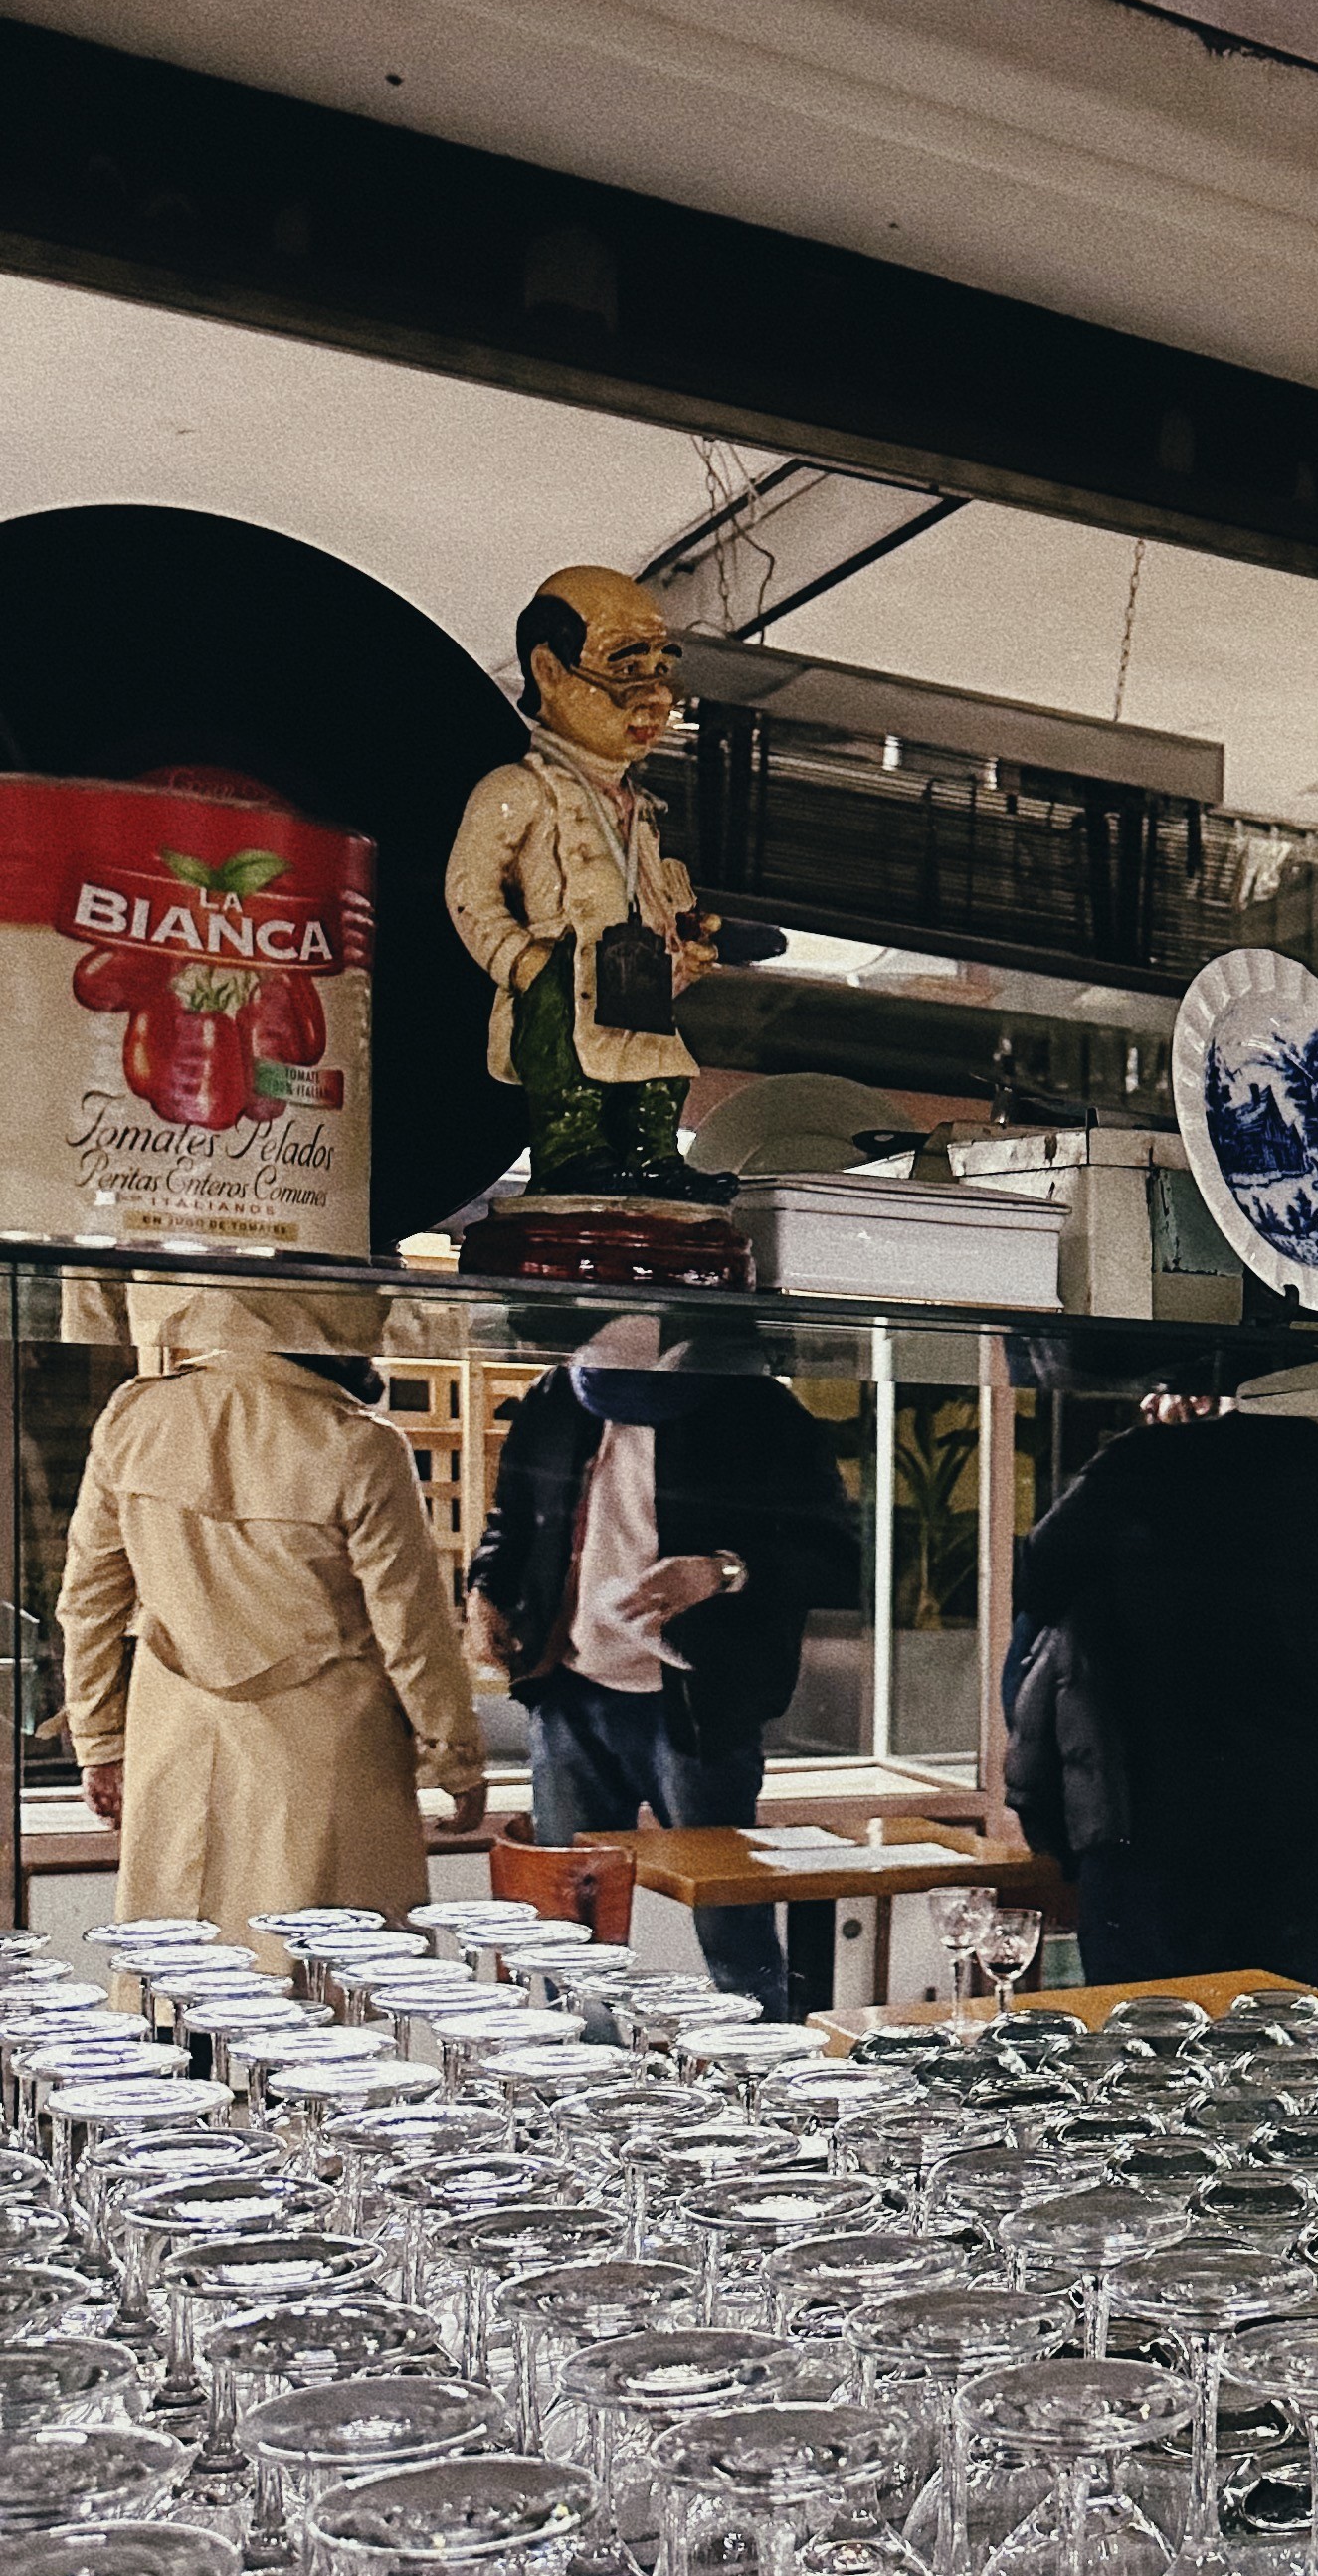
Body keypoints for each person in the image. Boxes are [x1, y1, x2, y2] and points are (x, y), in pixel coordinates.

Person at [58, 1279, 484, 1944]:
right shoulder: (360, 1444)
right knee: (318, 1986)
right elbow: (412, 1629)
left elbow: (88, 1602)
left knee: (180, 1979)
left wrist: (100, 1741)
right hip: (327, 1749)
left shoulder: (135, 1416)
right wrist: (455, 1758)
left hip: (175, 1736)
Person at [467, 1310, 855, 2015]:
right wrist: (485, 1592)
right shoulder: (555, 1398)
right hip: (570, 1689)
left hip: (701, 1702)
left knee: (730, 1919)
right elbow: (512, 1521)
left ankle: (760, 2070)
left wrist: (723, 1570)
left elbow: (836, 1555)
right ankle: (582, 2078)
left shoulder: (760, 1409)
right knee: (569, 1922)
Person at [1015, 1391, 1318, 1986]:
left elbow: (1039, 1581)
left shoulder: (1145, 1467)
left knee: (1142, 2017)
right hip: (1292, 1795)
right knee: (1275, 2009)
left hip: (1154, 1794)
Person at [442, 563, 719, 1200]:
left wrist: (683, 945)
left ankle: (654, 1160)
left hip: (636, 976)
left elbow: (647, 891)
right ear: (549, 671)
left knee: (659, 1074)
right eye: (626, 670)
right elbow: (468, 891)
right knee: (568, 1078)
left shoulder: (641, 808)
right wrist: (523, 961)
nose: (654, 698)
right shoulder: (518, 790)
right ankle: (571, 1157)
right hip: (561, 976)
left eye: (661, 670)